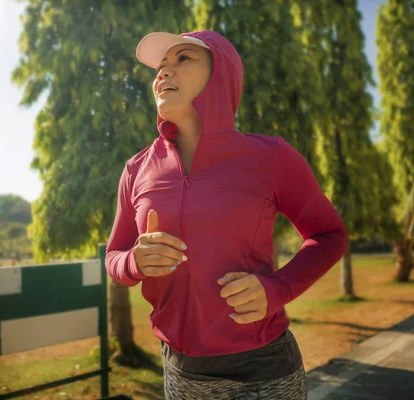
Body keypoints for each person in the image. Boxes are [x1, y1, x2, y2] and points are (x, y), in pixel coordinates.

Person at [105, 30, 348, 399]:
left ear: (221, 74)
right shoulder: (136, 169)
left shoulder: (271, 157)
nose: (163, 73)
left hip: (263, 371)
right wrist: (133, 262)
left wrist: (278, 288)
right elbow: (113, 257)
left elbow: (329, 235)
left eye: (183, 59)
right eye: (160, 66)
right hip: (179, 371)